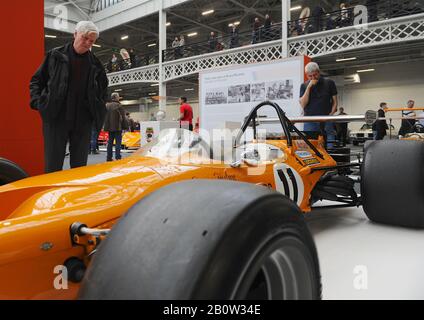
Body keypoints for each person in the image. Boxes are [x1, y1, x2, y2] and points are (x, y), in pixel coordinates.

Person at [29, 21, 108, 173]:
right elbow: (36, 81)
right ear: (75, 34)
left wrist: (98, 108)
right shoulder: (55, 56)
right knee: (52, 167)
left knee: (79, 169)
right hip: (56, 117)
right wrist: (39, 103)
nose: (87, 43)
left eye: (91, 41)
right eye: (84, 38)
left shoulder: (96, 64)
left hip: (83, 121)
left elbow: (103, 91)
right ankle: (51, 195)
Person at [299, 62, 338, 147]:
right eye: (310, 76)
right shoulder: (304, 85)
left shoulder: (329, 83)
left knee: (329, 144)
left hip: (326, 119)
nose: (313, 78)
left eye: (315, 75)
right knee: (310, 145)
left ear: (318, 72)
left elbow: (335, 102)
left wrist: (330, 115)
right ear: (306, 75)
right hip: (310, 120)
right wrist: (309, 87)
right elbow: (303, 104)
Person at [104, 93, 128, 161]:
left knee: (110, 143)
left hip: (109, 127)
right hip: (118, 127)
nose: (119, 98)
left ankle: (109, 157)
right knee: (118, 143)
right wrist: (125, 127)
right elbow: (123, 117)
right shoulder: (119, 105)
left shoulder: (107, 106)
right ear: (116, 97)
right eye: (118, 97)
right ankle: (118, 157)